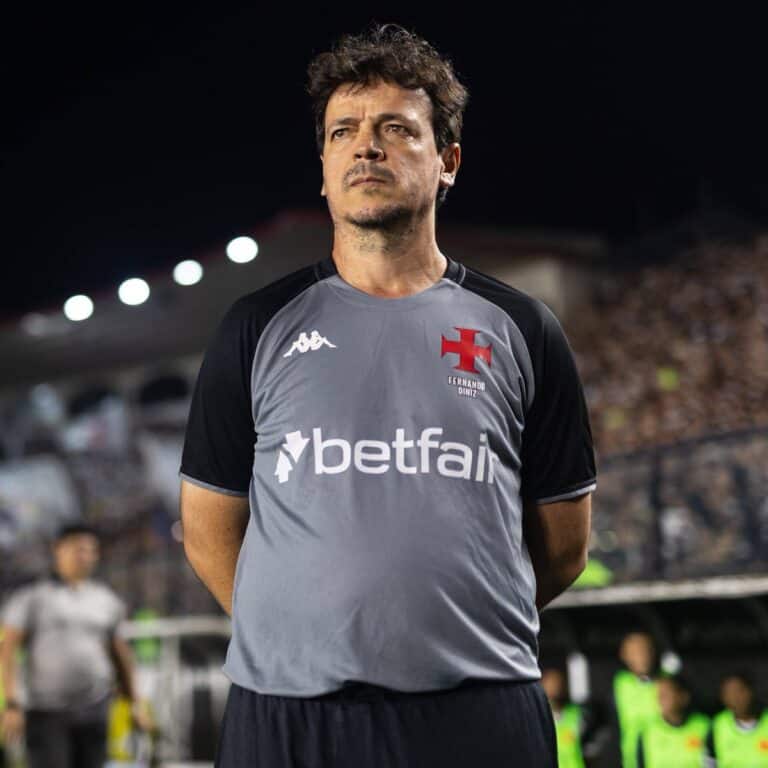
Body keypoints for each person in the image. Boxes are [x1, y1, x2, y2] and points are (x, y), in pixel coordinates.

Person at [179, 22, 596, 768]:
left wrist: (450, 628)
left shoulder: (523, 328)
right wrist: (297, 634)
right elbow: (209, 529)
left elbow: (563, 545)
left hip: (479, 711)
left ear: (449, 161)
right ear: (324, 165)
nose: (365, 145)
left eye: (396, 129)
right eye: (344, 131)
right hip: (289, 719)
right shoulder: (256, 327)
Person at [0, 522, 151, 768]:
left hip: (94, 708)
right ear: (58, 550)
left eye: (90, 550)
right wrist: (13, 704)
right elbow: (8, 651)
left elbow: (120, 654)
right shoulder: (32, 597)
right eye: (77, 549)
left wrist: (135, 703)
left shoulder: (105, 600)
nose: (85, 556)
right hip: (46, 713)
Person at [636, 674, 708, 768]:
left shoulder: (705, 727)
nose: (660, 698)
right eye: (658, 693)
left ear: (683, 697)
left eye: (666, 693)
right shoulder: (647, 732)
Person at [612, 631, 662, 768]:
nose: (642, 656)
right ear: (624, 655)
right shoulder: (619, 684)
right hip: (631, 761)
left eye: (645, 650)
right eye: (635, 651)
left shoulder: (668, 683)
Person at [541, 666, 604, 768]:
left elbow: (592, 744)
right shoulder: (536, 719)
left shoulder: (578, 714)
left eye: (558, 683)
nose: (555, 688)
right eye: (550, 684)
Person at [705, 672, 768, 767]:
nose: (735, 697)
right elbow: (710, 762)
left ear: (752, 691)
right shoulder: (718, 724)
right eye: (729, 693)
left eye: (740, 690)